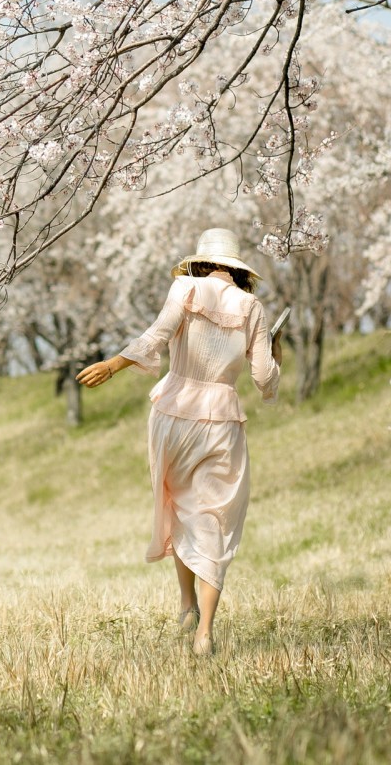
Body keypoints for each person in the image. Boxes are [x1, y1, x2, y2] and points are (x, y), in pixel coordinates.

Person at [76, 228, 281, 656]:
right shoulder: (252, 307)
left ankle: (186, 603)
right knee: (213, 516)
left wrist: (113, 365)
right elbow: (263, 377)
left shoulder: (184, 288)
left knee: (179, 505)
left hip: (173, 412)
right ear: (238, 270)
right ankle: (205, 631)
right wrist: (274, 360)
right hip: (221, 418)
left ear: (200, 262)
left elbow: (158, 333)